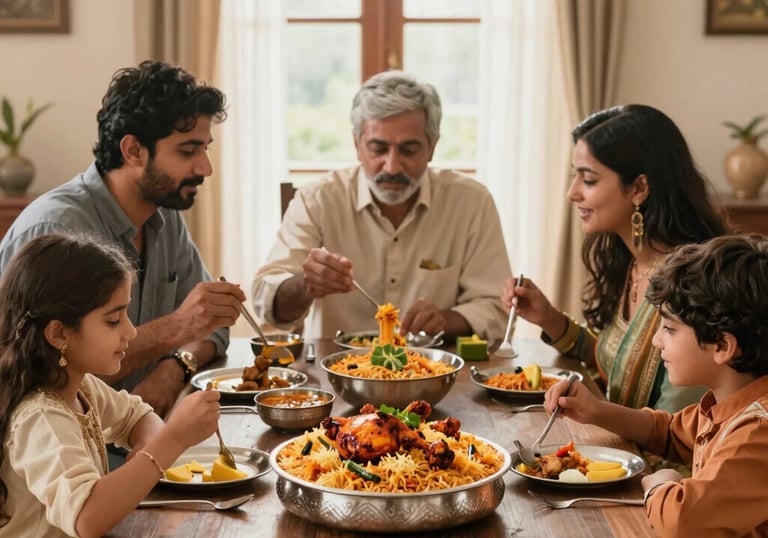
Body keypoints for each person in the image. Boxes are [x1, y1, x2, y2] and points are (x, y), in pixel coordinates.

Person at [0, 60, 246, 417]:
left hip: (143, 435)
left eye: (205, 149)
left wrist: (174, 367)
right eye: (187, 151)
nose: (205, 168)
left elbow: (212, 330)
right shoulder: (57, 230)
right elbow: (39, 373)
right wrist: (176, 328)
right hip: (61, 454)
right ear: (133, 151)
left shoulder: (165, 216)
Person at [253, 70, 512, 341]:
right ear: (356, 144)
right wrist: (307, 285)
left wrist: (445, 320)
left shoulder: (471, 202)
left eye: (409, 150)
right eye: (378, 149)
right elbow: (265, 301)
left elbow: (497, 309)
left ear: (432, 146)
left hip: (434, 371)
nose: (392, 166)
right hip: (334, 374)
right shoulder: (317, 200)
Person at [502, 104, 727, 412]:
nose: (572, 192)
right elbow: (618, 364)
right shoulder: (633, 261)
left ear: (639, 187)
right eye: (574, 176)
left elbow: (676, 428)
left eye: (589, 179)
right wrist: (549, 318)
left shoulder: (694, 282)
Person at [543, 234, 768, 537]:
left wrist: (659, 483)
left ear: (723, 346)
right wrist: (595, 410)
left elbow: (682, 522)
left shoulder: (758, 433)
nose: (656, 340)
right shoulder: (727, 404)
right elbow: (669, 433)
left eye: (670, 329)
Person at [0, 233, 222, 538]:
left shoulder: (81, 387)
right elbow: (87, 519)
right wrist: (171, 440)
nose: (130, 331)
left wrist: (149, 450)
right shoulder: (40, 418)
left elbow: (136, 415)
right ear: (59, 334)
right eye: (114, 321)